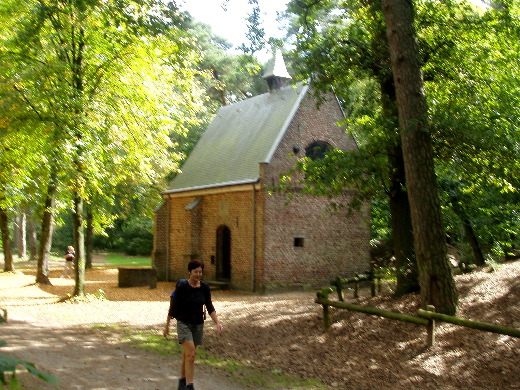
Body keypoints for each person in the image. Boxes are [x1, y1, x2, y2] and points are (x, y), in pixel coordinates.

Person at [163, 260, 223, 390]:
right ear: (189, 272)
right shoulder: (182, 287)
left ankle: (182, 382)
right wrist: (167, 325)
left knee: (187, 354)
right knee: (191, 354)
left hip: (198, 324)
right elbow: (173, 307)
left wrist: (217, 322)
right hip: (184, 323)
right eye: (195, 272)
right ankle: (190, 386)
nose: (198, 274)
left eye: (200, 272)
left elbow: (209, 305)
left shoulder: (205, 287)